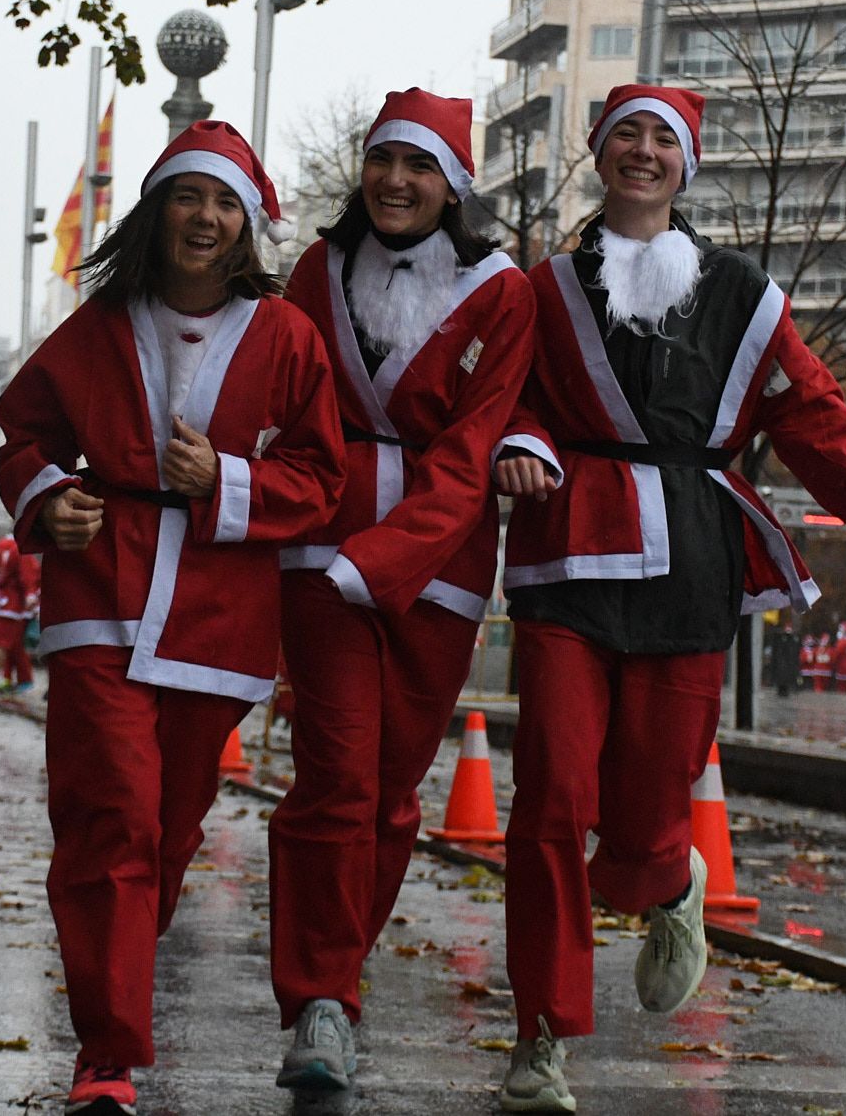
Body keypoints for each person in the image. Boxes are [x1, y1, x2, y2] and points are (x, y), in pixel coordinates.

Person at [489, 84, 846, 1113]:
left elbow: (820, 426)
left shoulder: (743, 295)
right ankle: (540, 1035)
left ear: (686, 165)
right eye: (624, 135)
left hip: (690, 566)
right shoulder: (541, 289)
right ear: (598, 154)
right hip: (568, 562)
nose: (641, 152)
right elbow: (510, 399)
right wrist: (523, 443)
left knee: (647, 808)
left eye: (661, 140)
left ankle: (669, 881)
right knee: (550, 800)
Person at [0, 121, 344, 1116]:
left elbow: (320, 475)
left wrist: (226, 480)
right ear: (157, 211)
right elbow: (23, 435)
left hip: (217, 615)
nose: (205, 217)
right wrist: (49, 498)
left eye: (225, 202)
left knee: (168, 828)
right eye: (188, 196)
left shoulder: (287, 337)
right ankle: (106, 1056)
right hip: (100, 594)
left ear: (247, 224)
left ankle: (116, 959)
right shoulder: (97, 326)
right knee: (109, 814)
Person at [268, 90, 539, 1090]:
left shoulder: (502, 294)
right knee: (335, 778)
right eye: (382, 160)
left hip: (441, 569)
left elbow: (471, 451)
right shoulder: (314, 271)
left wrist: (387, 556)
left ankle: (338, 976)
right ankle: (321, 1002)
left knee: (388, 794)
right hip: (319, 550)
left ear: (452, 186)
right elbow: (281, 399)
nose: (395, 181)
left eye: (419, 166)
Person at [0, 536, 39, 691]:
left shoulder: (1, 545)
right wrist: (31, 594)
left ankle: (5, 678)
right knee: (5, 644)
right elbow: (27, 575)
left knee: (9, 644)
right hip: (14, 606)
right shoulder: (20, 548)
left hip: (4, 602)